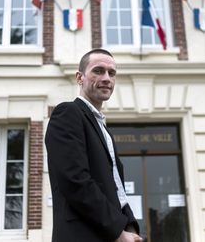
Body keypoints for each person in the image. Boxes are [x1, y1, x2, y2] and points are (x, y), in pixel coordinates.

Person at [45, 49, 143, 242]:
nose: (106, 78)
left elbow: (116, 188)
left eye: (112, 73)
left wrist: (129, 226)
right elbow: (75, 181)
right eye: (98, 71)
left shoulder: (104, 129)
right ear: (79, 78)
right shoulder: (67, 113)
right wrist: (118, 232)